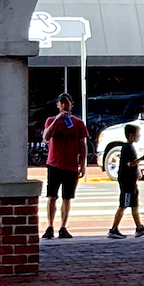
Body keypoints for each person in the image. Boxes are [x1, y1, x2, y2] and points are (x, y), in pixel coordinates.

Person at [41, 93, 88, 241]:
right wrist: (57, 119)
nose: (64, 106)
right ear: (57, 105)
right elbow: (46, 137)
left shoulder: (78, 123)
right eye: (61, 103)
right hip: (54, 163)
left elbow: (82, 144)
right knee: (52, 196)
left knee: (67, 198)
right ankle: (50, 226)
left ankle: (63, 226)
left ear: (71, 105)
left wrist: (82, 164)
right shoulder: (51, 120)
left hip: (71, 166)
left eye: (66, 103)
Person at [107, 132, 144, 237]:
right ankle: (113, 229)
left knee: (134, 204)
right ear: (131, 135)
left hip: (131, 181)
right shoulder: (127, 148)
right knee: (124, 204)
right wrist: (143, 158)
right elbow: (130, 164)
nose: (139, 136)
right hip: (127, 182)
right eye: (137, 134)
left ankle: (139, 227)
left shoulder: (129, 147)